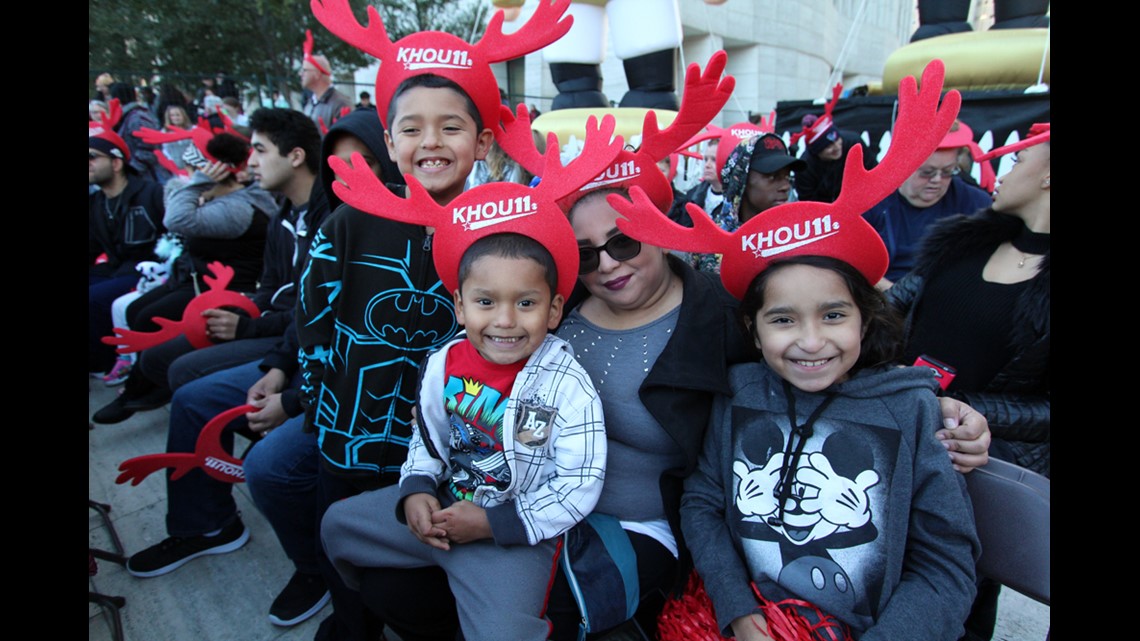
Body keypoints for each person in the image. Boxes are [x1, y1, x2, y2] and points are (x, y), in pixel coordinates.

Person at [680, 250, 979, 640]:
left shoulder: (912, 410)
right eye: (783, 319)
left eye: (833, 316)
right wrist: (738, 611)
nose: (811, 341)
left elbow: (946, 565)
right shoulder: (739, 392)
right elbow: (703, 502)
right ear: (753, 329)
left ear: (865, 320)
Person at [322, 232, 605, 641]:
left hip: (516, 531)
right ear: (459, 305)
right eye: (485, 302)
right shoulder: (443, 363)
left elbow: (579, 483)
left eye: (526, 303)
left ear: (554, 309)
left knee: (505, 634)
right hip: (445, 505)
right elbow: (428, 434)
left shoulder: (568, 386)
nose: (505, 320)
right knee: (336, 525)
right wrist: (417, 487)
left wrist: (494, 523)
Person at [296, 72, 492, 641]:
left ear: (481, 144)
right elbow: (312, 322)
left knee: (421, 559)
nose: (430, 141)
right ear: (389, 142)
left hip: (447, 450)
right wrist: (320, 409)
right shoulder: (348, 222)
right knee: (339, 544)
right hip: (348, 434)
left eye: (450, 127)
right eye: (412, 128)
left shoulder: (499, 231)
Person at [887, 124, 1049, 641]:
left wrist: (967, 411)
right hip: (897, 441)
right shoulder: (963, 241)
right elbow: (891, 310)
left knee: (959, 599)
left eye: (1016, 161)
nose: (998, 174)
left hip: (977, 468)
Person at [92, 131, 277, 424]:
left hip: (226, 289)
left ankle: (145, 389)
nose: (186, 176)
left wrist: (199, 183)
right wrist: (198, 186)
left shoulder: (236, 208)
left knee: (148, 317)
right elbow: (175, 201)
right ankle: (144, 385)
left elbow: (174, 219)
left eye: (193, 170)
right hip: (198, 280)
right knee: (136, 310)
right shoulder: (219, 198)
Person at [861, 122, 993, 289]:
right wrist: (894, 296)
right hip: (882, 298)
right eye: (927, 172)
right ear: (903, 166)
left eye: (947, 172)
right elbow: (852, 263)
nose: (937, 180)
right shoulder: (871, 201)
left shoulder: (975, 203)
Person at [89, 116, 165, 377]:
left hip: (150, 271)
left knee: (94, 299)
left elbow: (175, 238)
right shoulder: (96, 202)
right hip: (116, 268)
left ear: (116, 162)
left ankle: (104, 363)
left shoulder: (152, 193)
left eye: (92, 157)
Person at [687, 133, 806, 274]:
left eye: (787, 176)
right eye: (772, 176)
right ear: (741, 181)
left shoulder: (797, 239)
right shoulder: (708, 245)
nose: (785, 186)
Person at [107, 83, 164, 183]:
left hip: (146, 179)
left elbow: (147, 150)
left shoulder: (137, 118)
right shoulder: (127, 116)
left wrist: (131, 172)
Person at [299, 31, 353, 133]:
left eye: (305, 70)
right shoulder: (310, 103)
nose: (301, 74)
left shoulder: (340, 103)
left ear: (317, 74)